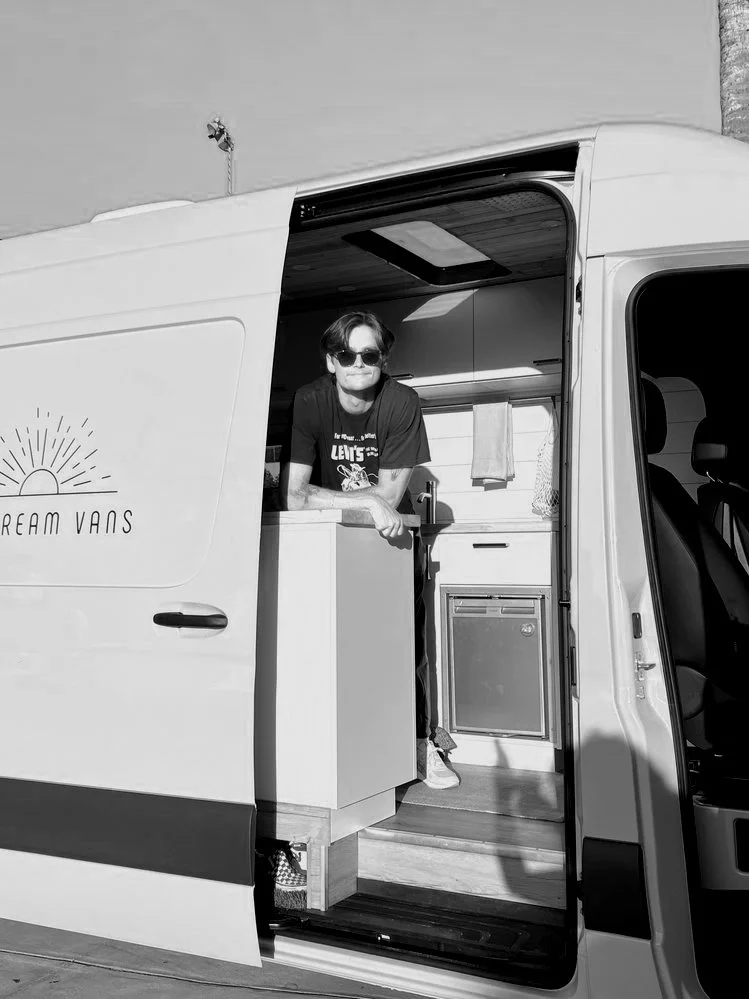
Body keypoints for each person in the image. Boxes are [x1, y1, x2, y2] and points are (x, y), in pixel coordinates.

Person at [281, 310, 459, 790]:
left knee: (402, 647)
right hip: (323, 545)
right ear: (330, 361)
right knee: (329, 650)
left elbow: (392, 496)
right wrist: (366, 500)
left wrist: (370, 502)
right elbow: (293, 497)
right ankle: (336, 753)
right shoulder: (310, 401)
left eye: (369, 354)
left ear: (383, 359)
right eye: (346, 355)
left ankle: (420, 745)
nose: (358, 363)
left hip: (387, 544)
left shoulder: (401, 402)